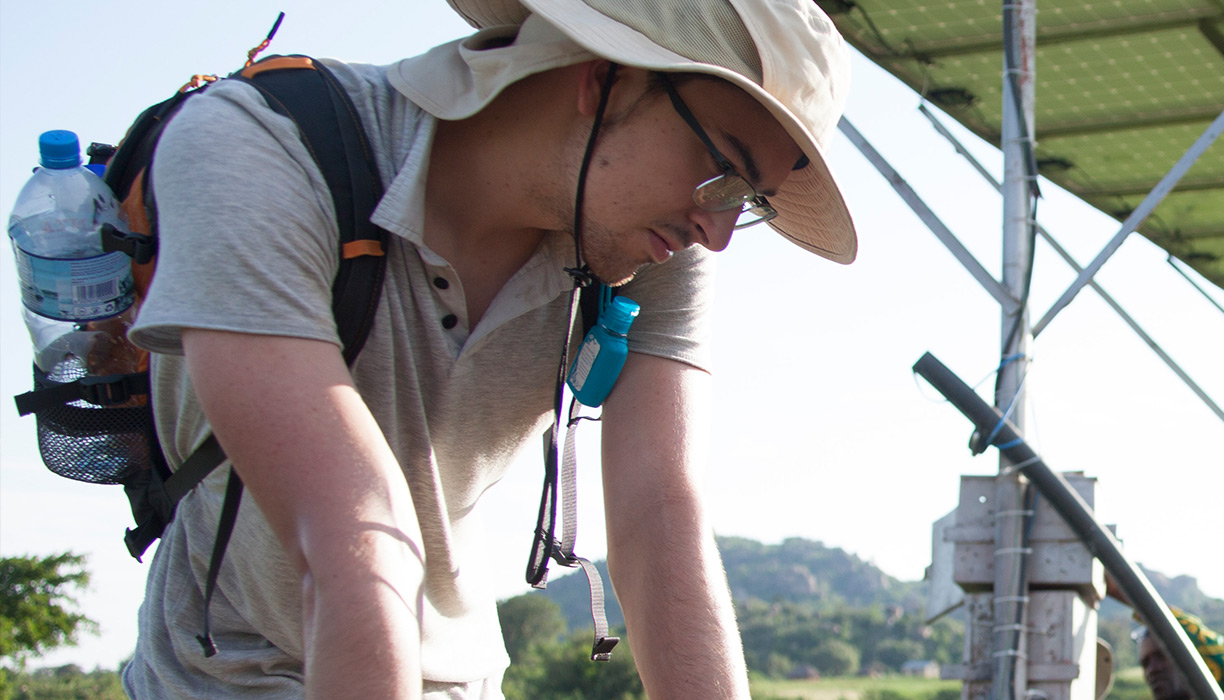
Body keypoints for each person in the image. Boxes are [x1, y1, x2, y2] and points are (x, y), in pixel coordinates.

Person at [119, 0, 857, 696]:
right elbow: (350, 537)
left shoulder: (654, 240)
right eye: (722, 170)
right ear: (604, 79)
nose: (717, 229)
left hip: (454, 672)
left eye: (745, 199)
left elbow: (660, 514)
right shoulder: (263, 150)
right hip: (228, 674)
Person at [1108, 576, 1224, 700]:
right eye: (1145, 663)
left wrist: (1117, 587)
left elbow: (1220, 655)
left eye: (1161, 656)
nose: (1152, 669)